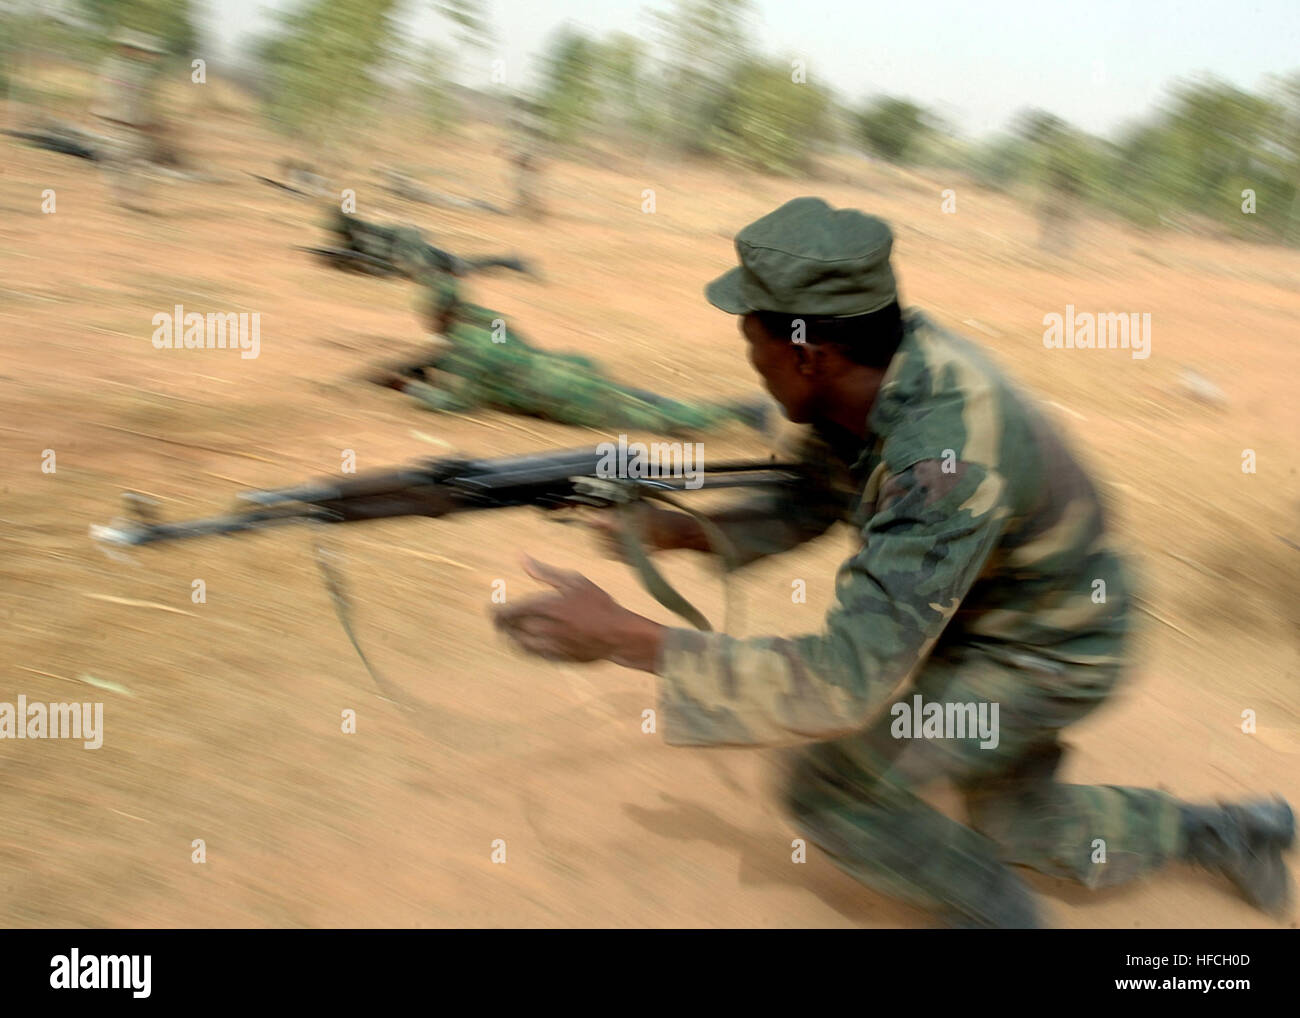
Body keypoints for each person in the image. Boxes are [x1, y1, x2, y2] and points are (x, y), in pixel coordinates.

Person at [491, 196, 1294, 927]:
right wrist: (674, 532)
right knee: (1023, 823)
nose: (752, 365)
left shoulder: (942, 457)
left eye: (753, 342)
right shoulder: (878, 373)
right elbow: (812, 496)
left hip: (1049, 649)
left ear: (808, 356)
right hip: (993, 619)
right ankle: (1234, 832)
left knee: (833, 790)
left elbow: (843, 685)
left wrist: (623, 636)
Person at [369, 272, 770, 437]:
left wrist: (409, 388)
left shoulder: (465, 350)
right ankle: (743, 410)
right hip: (567, 371)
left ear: (438, 314)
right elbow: (513, 356)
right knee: (647, 402)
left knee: (662, 421)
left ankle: (745, 410)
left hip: (563, 398)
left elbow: (456, 404)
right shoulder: (488, 322)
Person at [91, 29, 166, 211]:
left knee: (137, 161)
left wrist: (150, 121)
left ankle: (129, 197)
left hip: (135, 124)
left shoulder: (139, 70)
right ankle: (121, 198)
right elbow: (117, 97)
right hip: (118, 122)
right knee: (118, 161)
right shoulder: (114, 67)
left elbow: (143, 98)